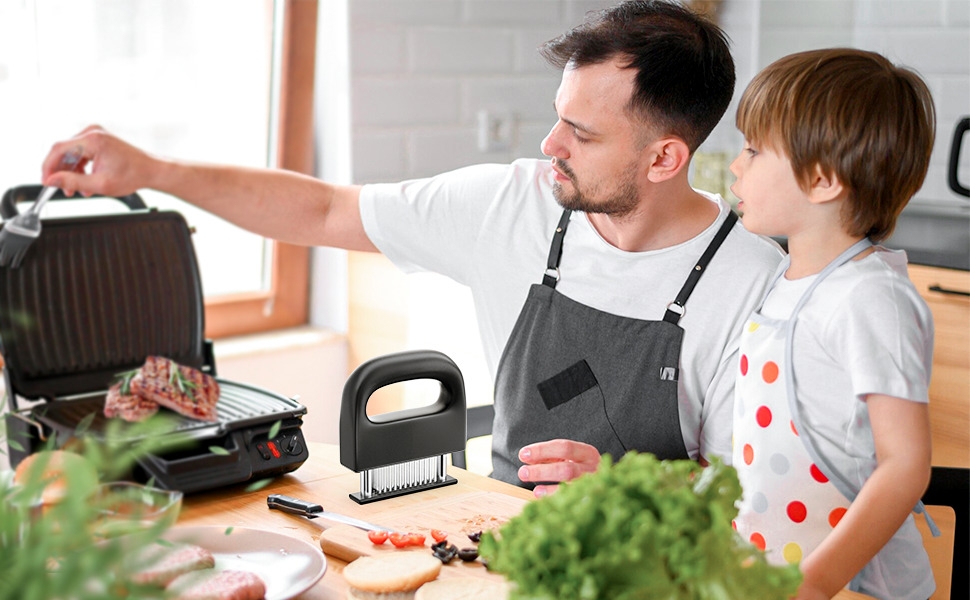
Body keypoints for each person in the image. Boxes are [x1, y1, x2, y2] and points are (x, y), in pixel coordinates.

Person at [42, 1, 782, 495]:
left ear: (664, 159)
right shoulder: (511, 205)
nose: (550, 145)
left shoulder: (753, 280)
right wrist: (153, 171)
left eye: (582, 136)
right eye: (558, 117)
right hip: (503, 542)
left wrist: (622, 487)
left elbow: (751, 488)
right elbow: (327, 208)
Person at [728, 48, 936, 599]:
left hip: (855, 588)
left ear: (821, 180)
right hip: (772, 574)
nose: (734, 165)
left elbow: (906, 465)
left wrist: (817, 581)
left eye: (752, 149)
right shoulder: (786, 280)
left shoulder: (870, 298)